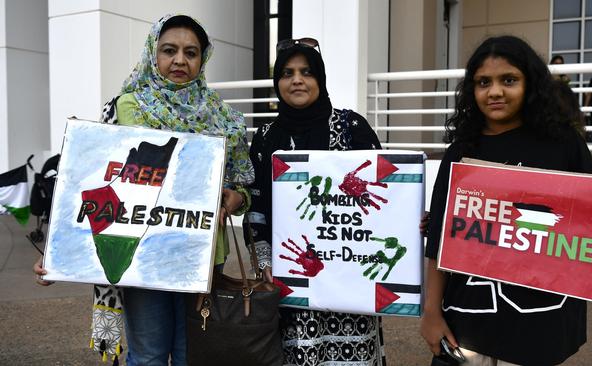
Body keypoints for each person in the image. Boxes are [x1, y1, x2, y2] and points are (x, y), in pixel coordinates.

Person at [34, 14, 254, 365]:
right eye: (169, 50)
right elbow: (93, 180)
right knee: (148, 356)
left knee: (193, 357)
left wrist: (236, 197)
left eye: (191, 52)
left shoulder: (222, 116)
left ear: (203, 58)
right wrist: (62, 252)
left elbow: (243, 184)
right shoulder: (125, 107)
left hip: (200, 256)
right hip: (141, 253)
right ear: (153, 53)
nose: (180, 60)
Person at [420, 35, 592, 366]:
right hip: (468, 322)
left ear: (531, 84)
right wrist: (431, 312)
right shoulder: (461, 152)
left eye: (509, 80)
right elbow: (439, 239)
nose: (495, 91)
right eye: (483, 82)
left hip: (538, 326)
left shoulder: (563, 144)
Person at [244, 38, 386, 365]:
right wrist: (265, 263)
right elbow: (256, 207)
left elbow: (384, 197)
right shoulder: (266, 138)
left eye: (307, 72)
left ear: (319, 79)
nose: (297, 80)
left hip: (349, 274)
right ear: (277, 82)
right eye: (287, 73)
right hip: (291, 276)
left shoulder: (351, 128)